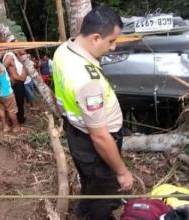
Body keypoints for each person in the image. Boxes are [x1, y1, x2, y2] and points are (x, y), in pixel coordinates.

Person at [53, 6, 133, 220]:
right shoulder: (87, 81)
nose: (113, 47)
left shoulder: (63, 50)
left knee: (91, 181)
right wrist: (122, 172)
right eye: (111, 41)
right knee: (102, 192)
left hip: (76, 132)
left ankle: (84, 211)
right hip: (94, 142)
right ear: (96, 38)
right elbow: (100, 137)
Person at [3, 50, 27, 124]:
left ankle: (19, 119)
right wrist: (8, 78)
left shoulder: (14, 55)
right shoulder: (9, 55)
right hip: (17, 82)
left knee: (19, 102)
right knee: (17, 103)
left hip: (19, 82)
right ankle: (17, 121)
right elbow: (1, 68)